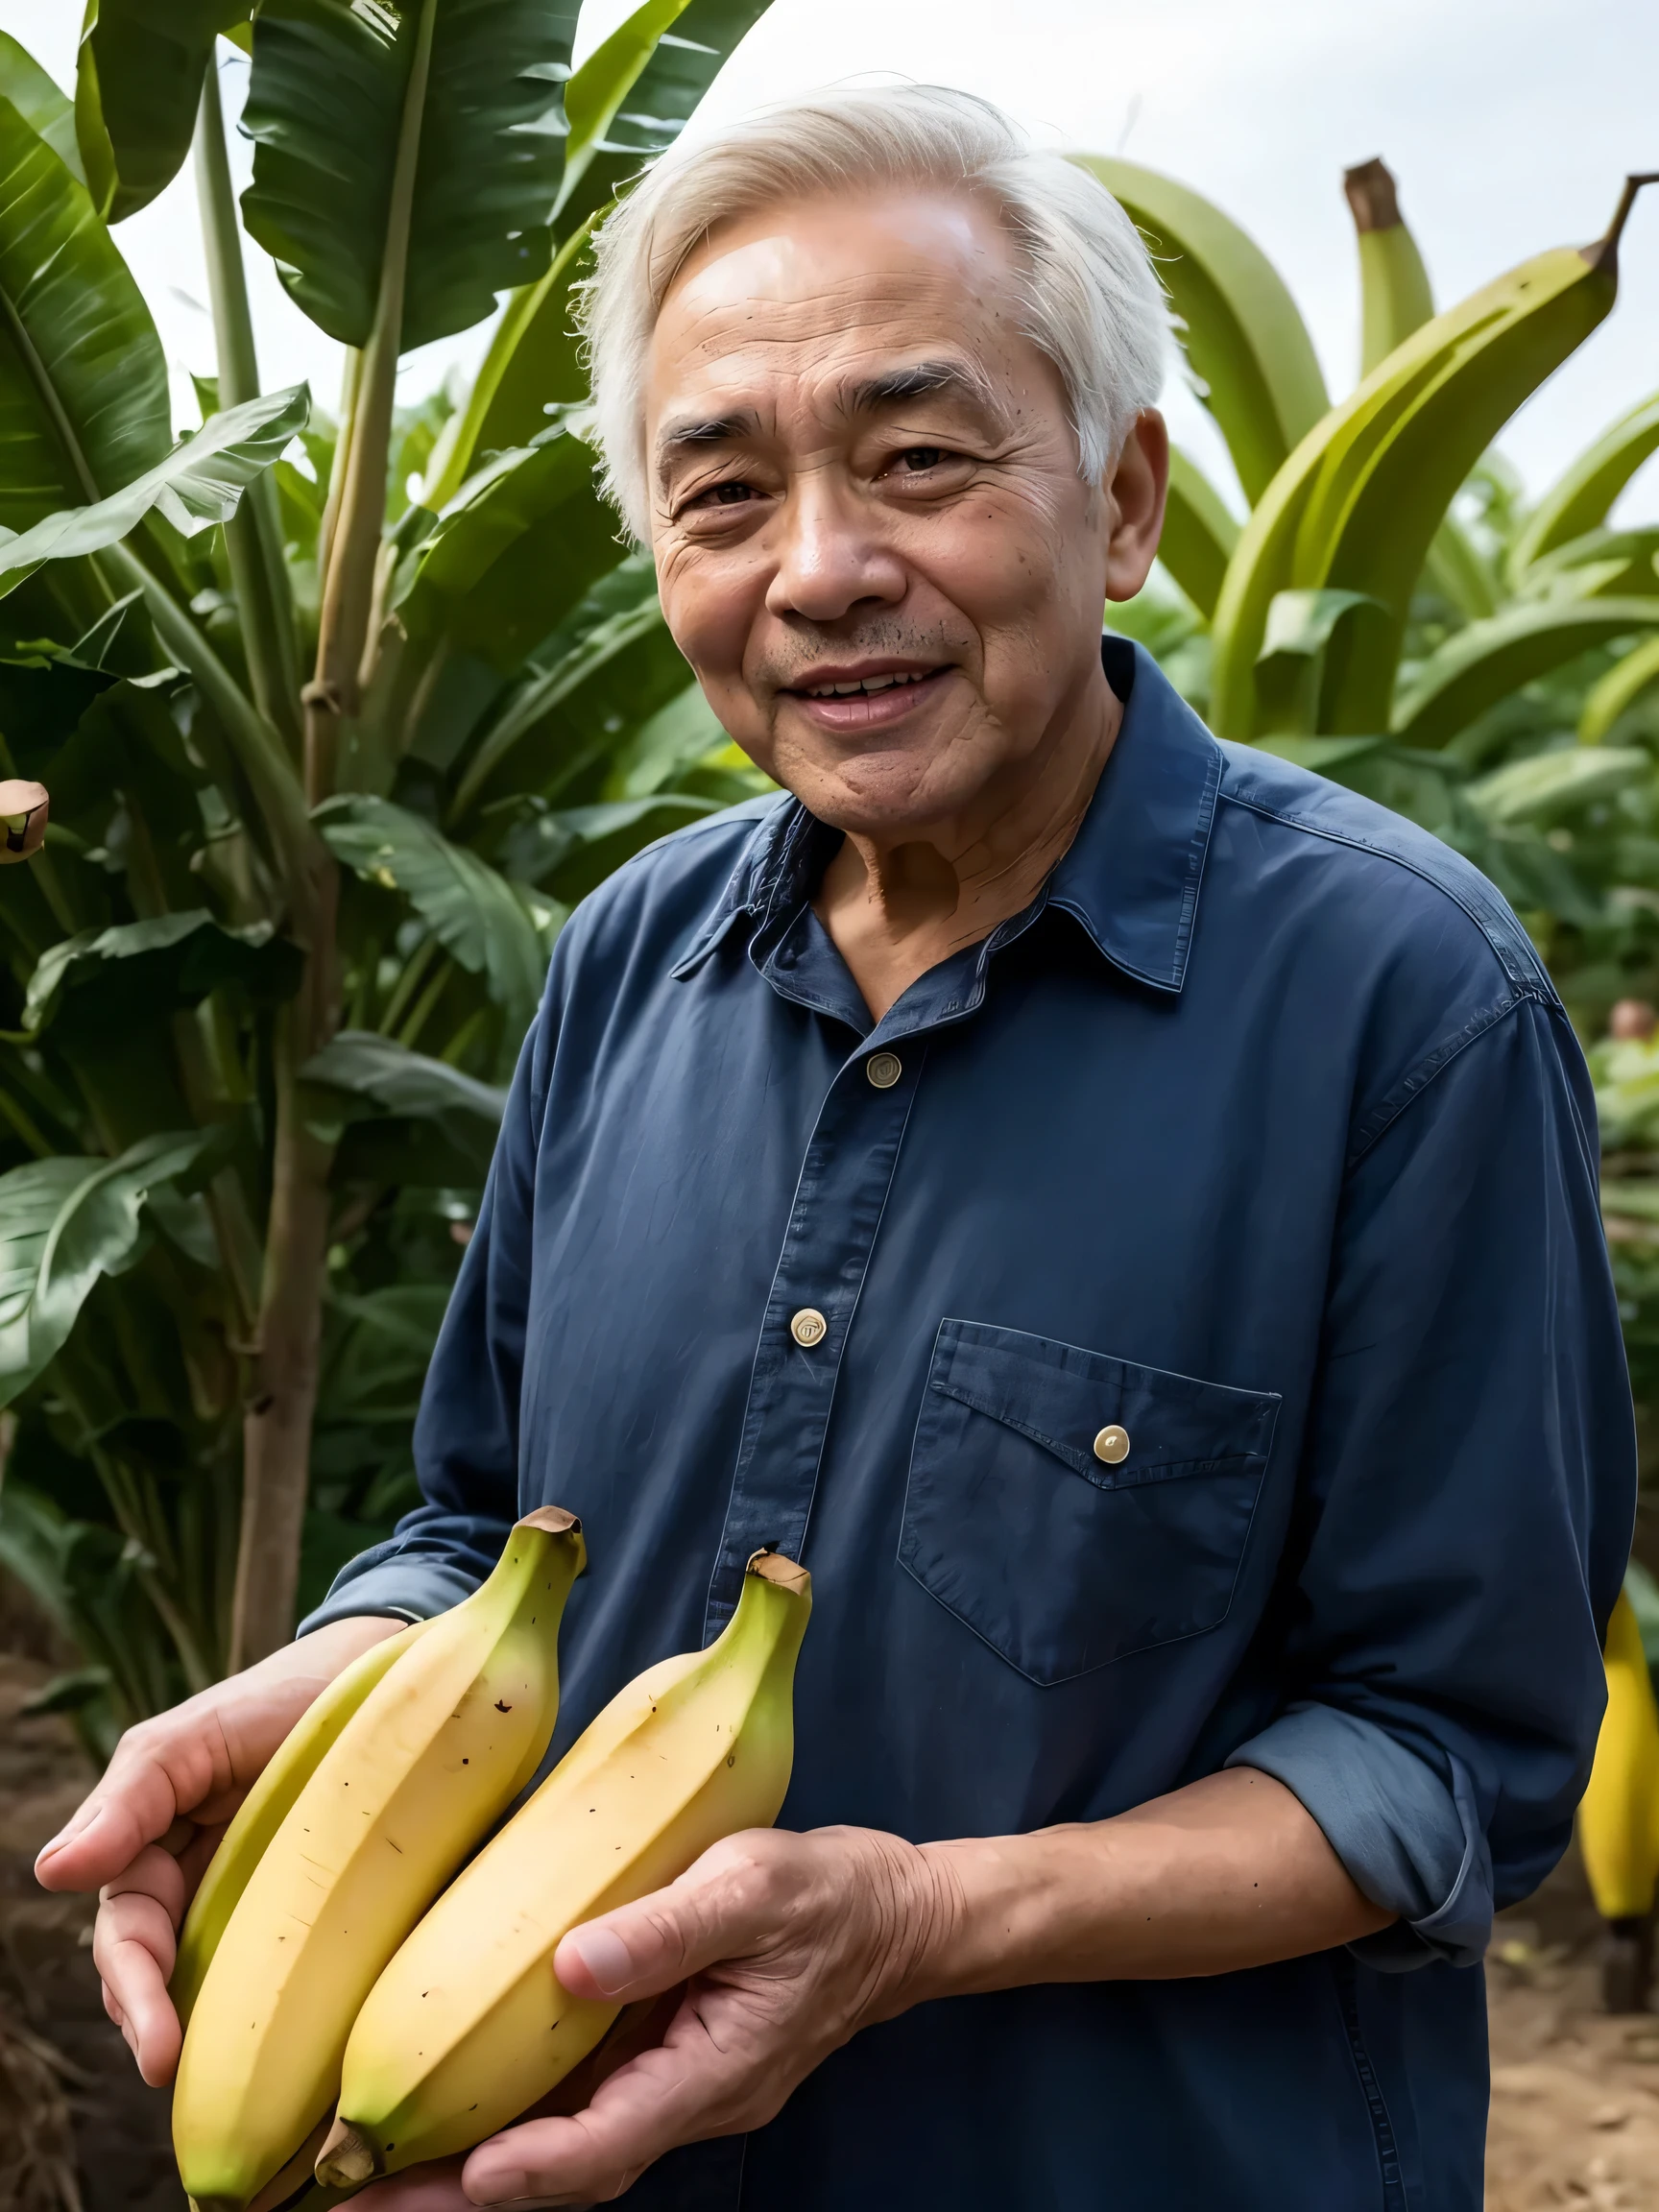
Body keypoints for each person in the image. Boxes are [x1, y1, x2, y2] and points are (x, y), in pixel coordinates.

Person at [38, 85, 1632, 2212]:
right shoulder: (626, 960)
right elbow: (484, 1526)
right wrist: (319, 1704)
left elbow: (1450, 1758)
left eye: (920, 460)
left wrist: (926, 1921)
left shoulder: (1401, 1002)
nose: (821, 572)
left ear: (1125, 499)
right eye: (721, 496)